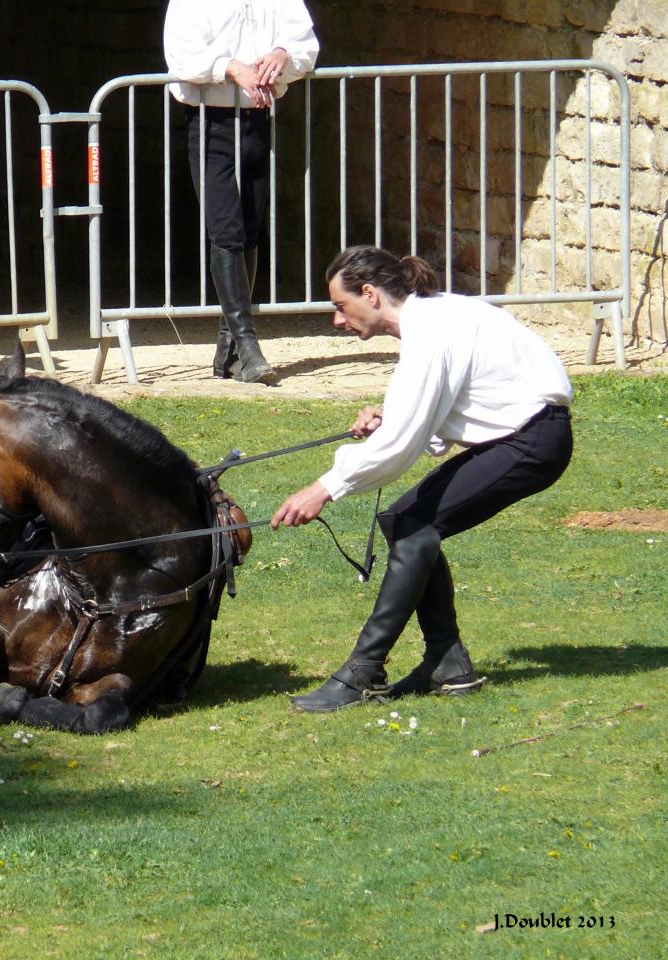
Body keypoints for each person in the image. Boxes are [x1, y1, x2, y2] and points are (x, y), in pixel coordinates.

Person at [271, 246, 574, 712]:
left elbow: (400, 446)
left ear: (369, 294)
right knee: (405, 522)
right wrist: (389, 417)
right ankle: (447, 663)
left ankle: (363, 672)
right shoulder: (431, 321)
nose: (336, 319)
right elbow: (431, 413)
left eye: (339, 305)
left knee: (414, 527)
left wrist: (324, 488)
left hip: (532, 442)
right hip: (523, 436)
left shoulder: (431, 329)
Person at [163, 0, 319, 386]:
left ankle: (227, 349)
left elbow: (305, 46)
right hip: (210, 119)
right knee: (226, 230)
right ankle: (247, 347)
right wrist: (230, 67)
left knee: (249, 230)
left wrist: (283, 55)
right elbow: (180, 54)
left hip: (255, 119)